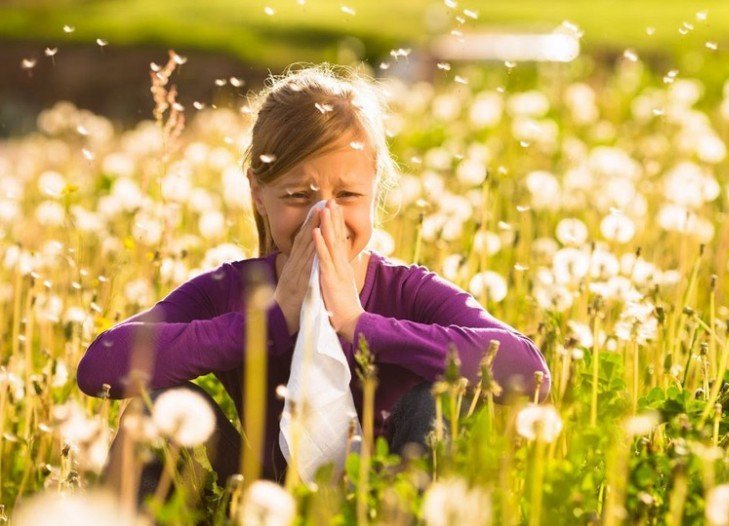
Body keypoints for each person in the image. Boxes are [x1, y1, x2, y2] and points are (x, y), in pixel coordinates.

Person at [76, 63, 551, 498]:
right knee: (157, 406)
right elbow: (100, 366)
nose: (324, 216)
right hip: (258, 497)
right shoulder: (231, 290)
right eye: (299, 195)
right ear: (258, 195)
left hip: (390, 496)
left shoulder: (406, 290)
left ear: (374, 192)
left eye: (346, 194)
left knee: (438, 401)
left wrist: (357, 323)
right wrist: (268, 323)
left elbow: (529, 372)